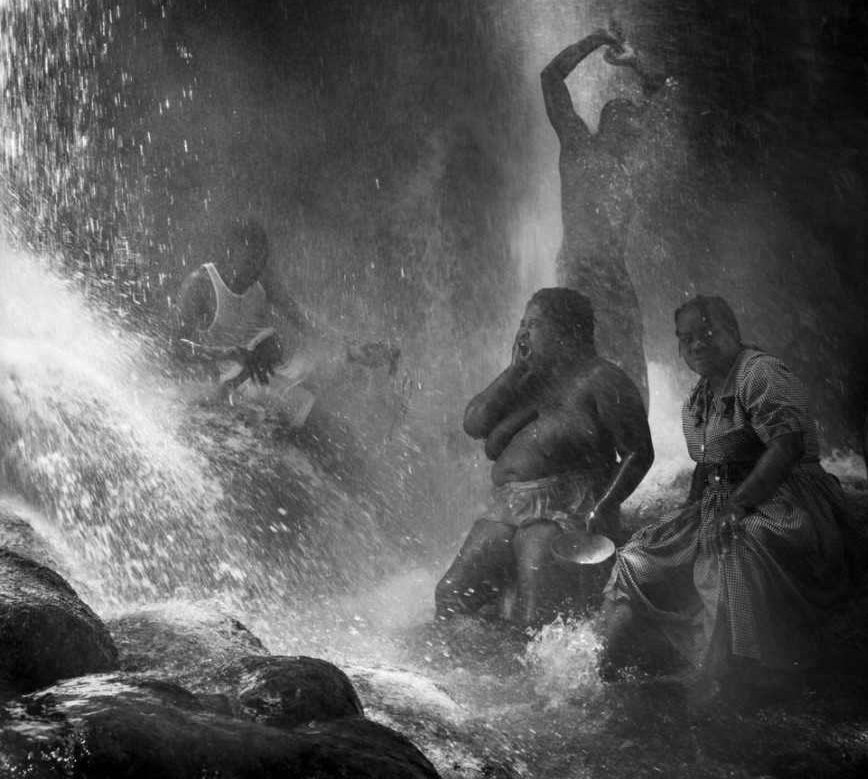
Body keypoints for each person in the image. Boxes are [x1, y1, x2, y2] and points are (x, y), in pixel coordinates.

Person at [596, 295, 868, 697]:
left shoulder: (761, 374)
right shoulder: (700, 395)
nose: (696, 345)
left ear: (732, 331)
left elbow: (787, 447)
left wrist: (735, 507)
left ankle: (739, 677)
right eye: (685, 338)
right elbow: (709, 464)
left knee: (735, 551)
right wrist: (691, 513)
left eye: (707, 333)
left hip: (786, 499)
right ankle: (613, 665)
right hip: (723, 502)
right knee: (638, 556)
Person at [434, 288, 653, 628]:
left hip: (568, 507)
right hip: (509, 507)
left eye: (534, 324)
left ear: (568, 332)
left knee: (535, 612)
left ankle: (529, 676)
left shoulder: (602, 379)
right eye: (522, 323)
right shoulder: (527, 380)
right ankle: (469, 671)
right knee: (450, 595)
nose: (522, 332)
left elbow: (639, 452)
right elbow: (474, 423)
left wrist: (603, 507)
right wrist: (512, 371)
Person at [172, 216, 399, 428]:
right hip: (229, 388)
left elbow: (305, 322)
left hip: (268, 374)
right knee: (306, 417)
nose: (256, 269)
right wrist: (232, 352)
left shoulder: (262, 281)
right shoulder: (200, 284)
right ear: (229, 252)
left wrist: (355, 344)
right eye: (250, 261)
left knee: (332, 375)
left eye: (262, 262)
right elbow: (177, 348)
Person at [541, 27, 667, 407]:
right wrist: (595, 39)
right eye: (629, 125)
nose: (636, 132)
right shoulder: (578, 145)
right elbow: (550, 77)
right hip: (579, 269)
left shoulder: (622, 163)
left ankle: (636, 443)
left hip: (614, 273)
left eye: (636, 128)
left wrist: (634, 63)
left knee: (632, 359)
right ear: (609, 123)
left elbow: (662, 89)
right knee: (574, 358)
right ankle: (570, 440)